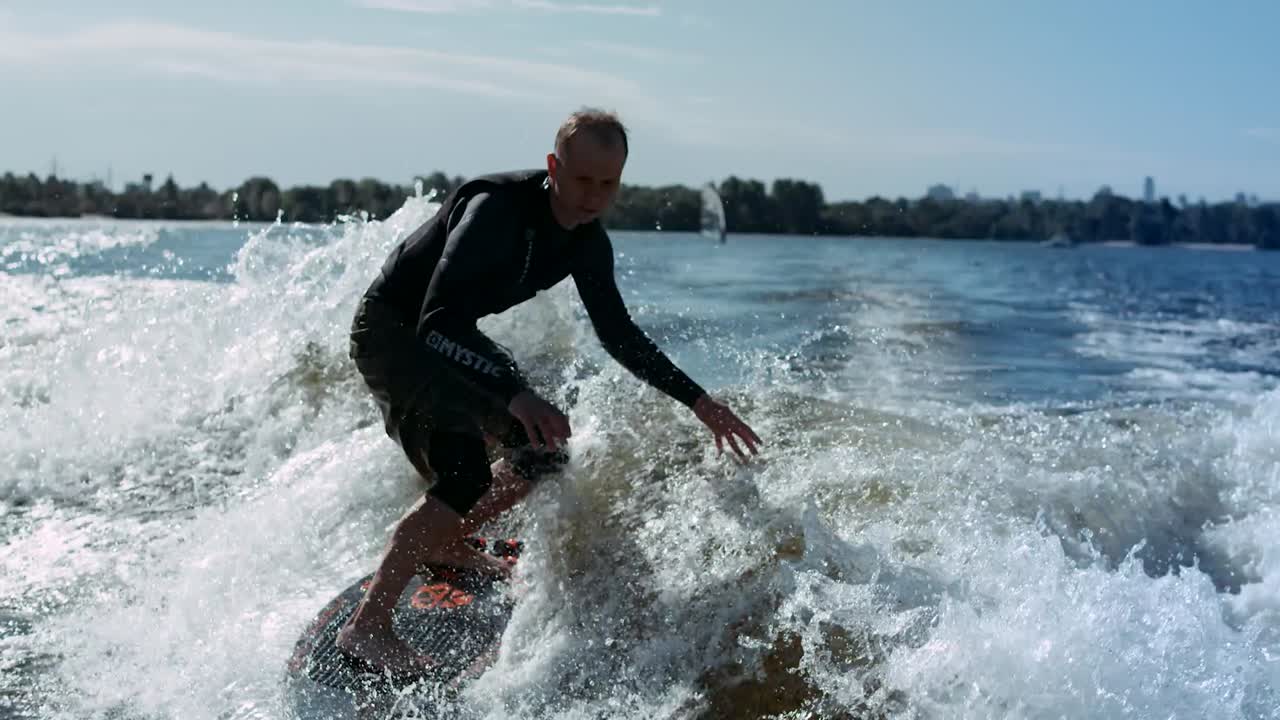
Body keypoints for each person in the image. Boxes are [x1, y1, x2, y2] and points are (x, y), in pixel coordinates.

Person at [337, 108, 762, 675]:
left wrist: (699, 401)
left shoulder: (587, 242)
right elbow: (435, 321)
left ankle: (445, 540)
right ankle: (366, 627)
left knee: (543, 450)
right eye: (582, 179)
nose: (593, 196)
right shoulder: (495, 210)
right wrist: (516, 394)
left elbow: (619, 335)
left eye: (608, 184)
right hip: (395, 332)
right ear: (553, 167)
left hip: (451, 336)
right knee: (465, 473)